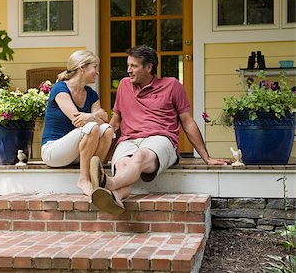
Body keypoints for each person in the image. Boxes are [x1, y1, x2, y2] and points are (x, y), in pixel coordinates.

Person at [91, 45, 230, 214]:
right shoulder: (124, 86)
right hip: (128, 140)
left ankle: (108, 183)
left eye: (133, 66)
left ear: (149, 67)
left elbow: (187, 122)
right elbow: (115, 122)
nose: (128, 70)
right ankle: (116, 199)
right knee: (122, 165)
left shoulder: (172, 86)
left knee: (140, 156)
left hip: (161, 139)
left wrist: (206, 158)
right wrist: (99, 153)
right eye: (128, 65)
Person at [41, 50, 114, 196]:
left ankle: (96, 177)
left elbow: (103, 120)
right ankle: (84, 179)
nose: (97, 72)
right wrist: (93, 116)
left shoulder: (91, 94)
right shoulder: (60, 89)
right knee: (92, 127)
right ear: (82, 68)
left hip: (78, 153)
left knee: (107, 130)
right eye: (95, 67)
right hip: (54, 151)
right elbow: (78, 120)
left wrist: (89, 116)